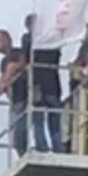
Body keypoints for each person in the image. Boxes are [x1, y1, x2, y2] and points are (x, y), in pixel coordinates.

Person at [20, 14, 63, 153]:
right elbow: (56, 57)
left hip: (37, 84)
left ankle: (42, 146)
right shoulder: (52, 39)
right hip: (53, 83)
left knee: (38, 118)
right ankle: (58, 147)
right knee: (54, 119)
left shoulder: (28, 39)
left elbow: (26, 59)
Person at [0, 29, 31, 155]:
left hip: (24, 95)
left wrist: (11, 71)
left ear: (8, 39)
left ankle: (26, 153)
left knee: (21, 131)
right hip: (15, 100)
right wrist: (3, 84)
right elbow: (2, 79)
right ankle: (22, 154)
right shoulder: (4, 61)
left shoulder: (18, 53)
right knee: (16, 135)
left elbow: (21, 64)